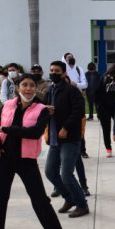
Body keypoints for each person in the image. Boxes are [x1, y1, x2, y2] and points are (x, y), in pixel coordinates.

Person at [0, 74, 74, 229]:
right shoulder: (7, 105)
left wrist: (6, 129)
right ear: (18, 87)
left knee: (41, 201)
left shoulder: (42, 109)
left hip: (26, 161)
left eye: (32, 85)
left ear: (36, 88)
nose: (28, 89)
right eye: (24, 85)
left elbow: (34, 133)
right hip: (4, 159)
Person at [44, 61, 89, 218]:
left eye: (57, 70)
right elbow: (43, 109)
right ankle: (69, 199)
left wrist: (66, 127)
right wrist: (45, 111)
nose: (53, 73)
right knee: (50, 172)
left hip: (69, 139)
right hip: (54, 139)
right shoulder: (50, 90)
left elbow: (79, 111)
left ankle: (82, 205)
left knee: (66, 175)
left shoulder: (72, 90)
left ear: (64, 73)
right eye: (51, 70)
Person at [98, 63, 115, 157]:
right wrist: (98, 107)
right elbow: (97, 92)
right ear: (112, 68)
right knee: (106, 129)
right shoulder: (104, 78)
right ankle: (108, 149)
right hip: (104, 107)